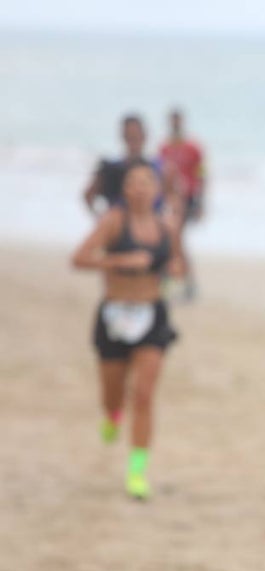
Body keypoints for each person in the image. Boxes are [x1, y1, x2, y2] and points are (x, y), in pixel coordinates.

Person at [71, 159, 187, 500]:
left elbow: (178, 264)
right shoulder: (113, 222)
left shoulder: (167, 228)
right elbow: (78, 259)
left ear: (156, 190)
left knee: (145, 395)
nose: (141, 188)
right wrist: (118, 261)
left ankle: (137, 473)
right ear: (125, 189)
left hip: (152, 316)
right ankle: (111, 416)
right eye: (134, 182)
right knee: (113, 395)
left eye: (147, 182)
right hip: (113, 316)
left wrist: (174, 271)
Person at [159, 108, 206, 299]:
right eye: (173, 121)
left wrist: (201, 202)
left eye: (178, 121)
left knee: (176, 239)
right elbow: (159, 175)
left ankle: (185, 282)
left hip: (189, 198)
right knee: (173, 240)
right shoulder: (164, 148)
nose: (175, 124)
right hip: (169, 199)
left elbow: (202, 174)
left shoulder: (193, 148)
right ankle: (175, 280)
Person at [83, 113, 171, 215]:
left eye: (136, 135)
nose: (133, 140)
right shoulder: (110, 170)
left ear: (144, 136)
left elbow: (174, 199)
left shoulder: (159, 168)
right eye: (129, 136)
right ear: (123, 136)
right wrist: (102, 220)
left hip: (151, 225)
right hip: (120, 226)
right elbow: (88, 195)